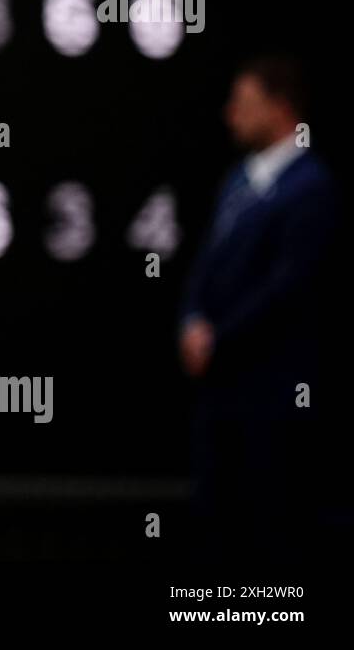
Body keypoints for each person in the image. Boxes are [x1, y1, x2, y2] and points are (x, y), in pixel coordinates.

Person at [178, 56, 338, 562]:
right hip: (219, 398)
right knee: (218, 529)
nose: (231, 115)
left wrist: (220, 338)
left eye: (244, 104)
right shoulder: (236, 182)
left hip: (273, 398)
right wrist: (192, 322)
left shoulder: (311, 185)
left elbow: (287, 287)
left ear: (280, 106)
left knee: (270, 533)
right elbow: (205, 266)